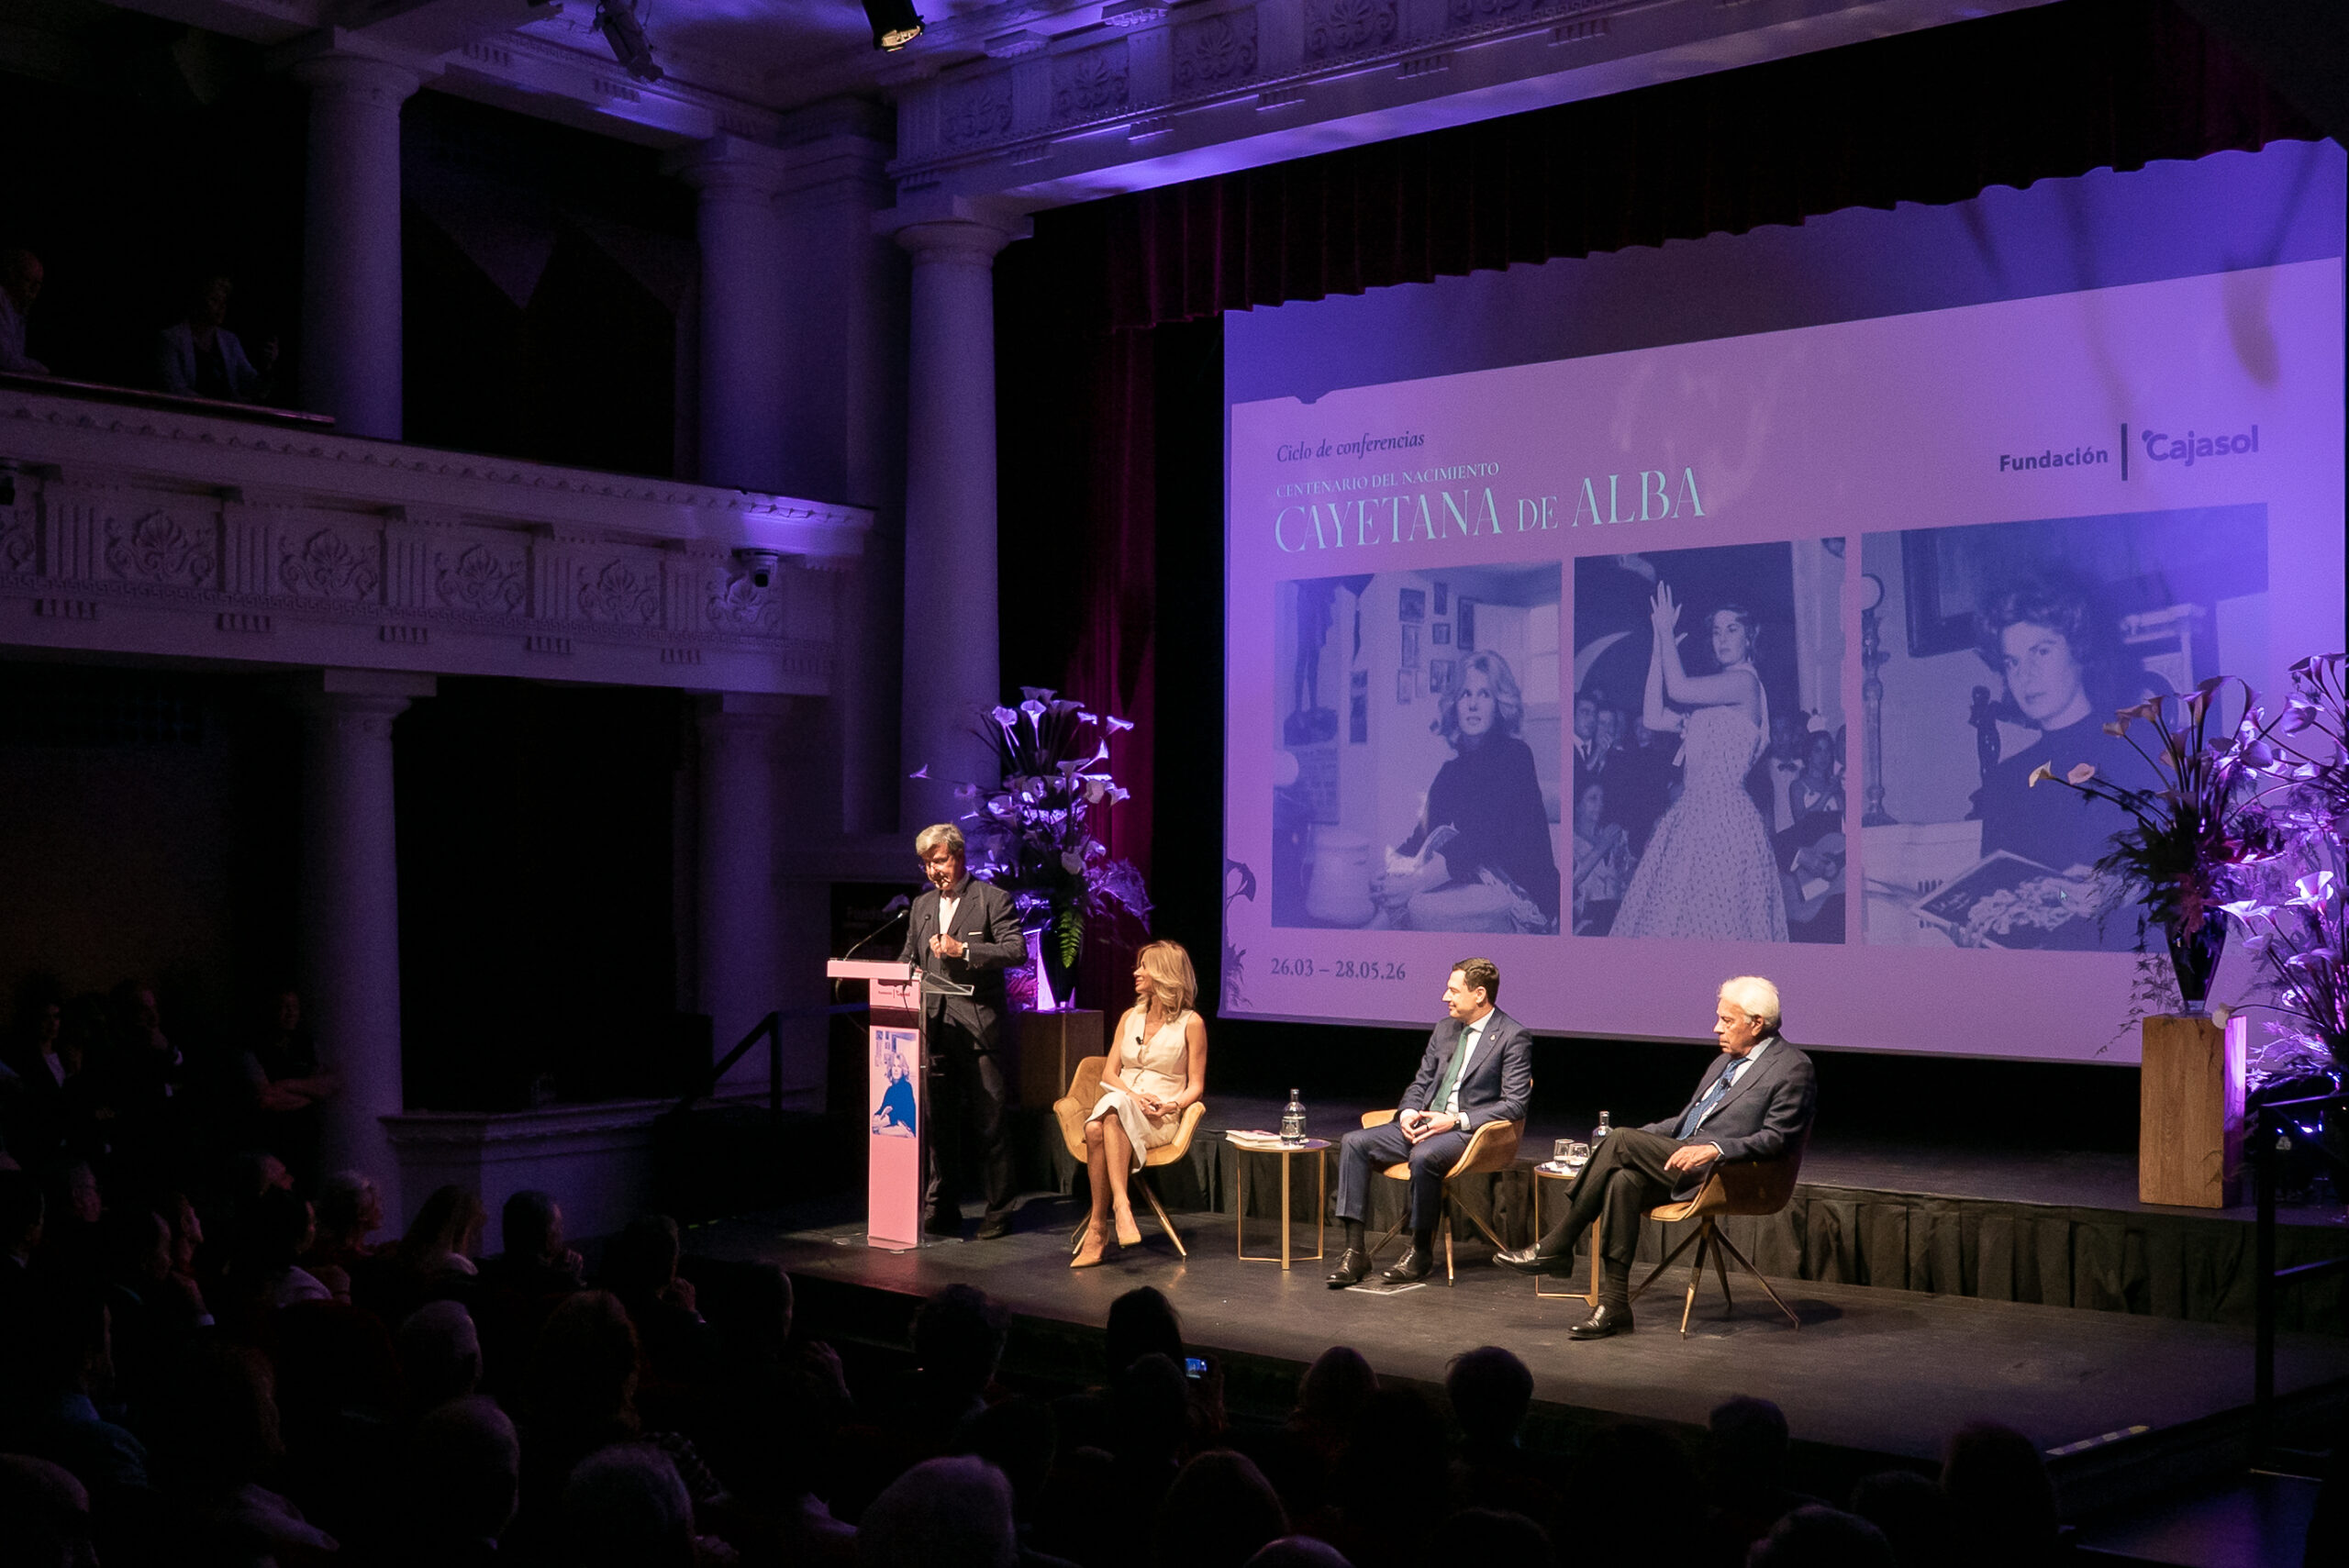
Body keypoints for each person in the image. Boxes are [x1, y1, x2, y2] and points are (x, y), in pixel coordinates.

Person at [1497, 975, 1814, 1338]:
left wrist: (1715, 1148)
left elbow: (1779, 1139)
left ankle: (1559, 1243)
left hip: (1724, 1172)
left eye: (1727, 1021)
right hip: (1681, 1163)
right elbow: (1683, 1123)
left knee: (1618, 1142)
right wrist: (1636, 1139)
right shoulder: (1724, 1062)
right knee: (1622, 1178)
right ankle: (1615, 1306)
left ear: (1757, 1023)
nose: (1716, 1028)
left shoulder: (1792, 1067)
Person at [1967, 576, 2165, 950]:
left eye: (2041, 652)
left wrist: (2127, 887)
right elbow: (2019, 901)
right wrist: (1981, 925)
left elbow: (2194, 875)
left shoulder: (2142, 748)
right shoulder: (2004, 781)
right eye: (2012, 662)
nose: (2024, 676)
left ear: (2079, 650)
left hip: (2129, 963)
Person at [1326, 958, 1531, 1287]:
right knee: (1354, 1142)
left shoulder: (1512, 1036)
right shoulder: (1444, 1029)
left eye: (1453, 990)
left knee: (1425, 1156)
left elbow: (1515, 1104)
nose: (1444, 997)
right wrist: (1408, 1112)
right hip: (1423, 1123)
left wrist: (1454, 1120)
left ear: (1479, 994)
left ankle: (1420, 1251)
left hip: (1468, 1133)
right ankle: (1354, 1253)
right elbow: (1421, 1082)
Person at [1612, 587, 1788, 940]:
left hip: (1723, 821)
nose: (1721, 639)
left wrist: (1665, 633)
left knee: (1714, 929)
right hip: (1694, 816)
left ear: (1751, 636)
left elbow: (1677, 689)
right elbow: (1652, 716)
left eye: (1732, 629)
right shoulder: (1717, 700)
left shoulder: (1745, 683)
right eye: (1716, 631)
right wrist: (1659, 648)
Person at [897, 823, 1025, 1240]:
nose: (934, 871)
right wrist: (896, 973)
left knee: (990, 1123)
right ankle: (942, 1205)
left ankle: (1000, 1209)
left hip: (979, 1028)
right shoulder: (921, 907)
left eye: (939, 861)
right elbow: (908, 958)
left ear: (959, 855)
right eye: (927, 864)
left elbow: (1015, 950)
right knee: (940, 1125)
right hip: (934, 1027)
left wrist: (964, 950)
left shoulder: (992, 899)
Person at [1372, 651, 1560, 932]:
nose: (1473, 704)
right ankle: (1370, 936)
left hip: (1525, 895)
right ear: (1455, 706)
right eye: (1465, 695)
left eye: (1484, 694)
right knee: (1400, 900)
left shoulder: (1516, 757)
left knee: (1419, 900)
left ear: (1498, 704)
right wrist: (1390, 870)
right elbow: (1421, 839)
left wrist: (1414, 882)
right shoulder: (1451, 772)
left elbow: (1479, 838)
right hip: (1479, 881)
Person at [1074, 940, 1208, 1267]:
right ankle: (1120, 1205)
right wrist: (1132, 1096)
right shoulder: (1129, 1018)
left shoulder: (1192, 1024)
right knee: (1109, 1115)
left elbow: (1196, 1087)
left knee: (1096, 1127)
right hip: (1123, 1103)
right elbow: (1109, 1072)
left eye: (1144, 967)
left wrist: (1170, 1106)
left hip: (1159, 1118)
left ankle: (1098, 1227)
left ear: (1164, 974)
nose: (1136, 972)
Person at [155, 273, 277, 401]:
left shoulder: (230, 341)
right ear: (198, 300)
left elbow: (252, 386)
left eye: (224, 301)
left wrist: (267, 367)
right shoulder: (171, 339)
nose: (221, 307)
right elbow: (175, 390)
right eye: (214, 300)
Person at [0, 247, 47, 375]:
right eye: (27, 280)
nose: (33, 290)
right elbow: (4, 359)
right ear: (11, 276)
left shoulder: (20, 311)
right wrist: (39, 369)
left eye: (37, 284)